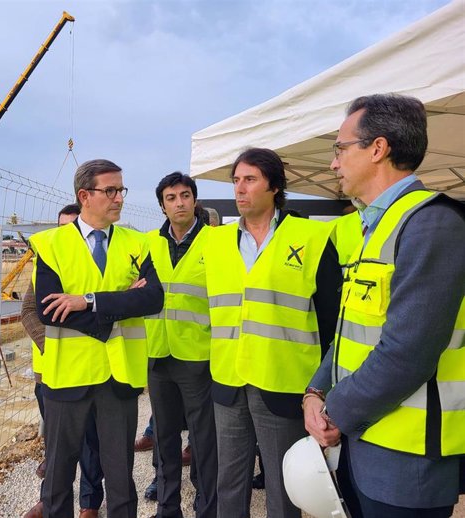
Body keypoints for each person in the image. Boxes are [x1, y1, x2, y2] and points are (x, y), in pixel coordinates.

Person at [303, 93, 465, 518]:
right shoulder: (376, 226)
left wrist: (334, 410)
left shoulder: (431, 222)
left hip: (406, 466)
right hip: (365, 445)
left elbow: (408, 352)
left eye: (340, 148)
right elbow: (349, 329)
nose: (334, 163)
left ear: (377, 148)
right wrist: (315, 391)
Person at [203, 148, 341, 518]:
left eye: (250, 179)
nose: (239, 189)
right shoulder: (213, 242)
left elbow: (331, 324)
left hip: (284, 383)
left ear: (275, 185)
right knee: (229, 481)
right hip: (229, 382)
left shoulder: (312, 236)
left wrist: (322, 388)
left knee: (284, 484)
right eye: (235, 180)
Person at [32, 159, 164, 518]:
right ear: (84, 196)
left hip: (118, 377)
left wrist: (87, 300)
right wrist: (119, 306)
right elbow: (47, 310)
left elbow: (153, 298)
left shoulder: (137, 243)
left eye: (121, 190)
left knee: (120, 476)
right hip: (68, 377)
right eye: (110, 191)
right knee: (58, 475)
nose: (119, 198)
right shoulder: (51, 244)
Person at [22, 203, 106, 518]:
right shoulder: (44, 262)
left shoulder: (95, 266)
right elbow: (28, 312)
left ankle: (89, 502)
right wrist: (50, 347)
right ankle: (50, 501)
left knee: (89, 441)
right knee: (57, 445)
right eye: (61, 227)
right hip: (50, 372)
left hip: (88, 369)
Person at [144, 172, 218, 517]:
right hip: (158, 354)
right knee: (165, 436)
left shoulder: (217, 243)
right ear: (162, 205)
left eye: (185, 195)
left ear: (194, 200)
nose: (179, 203)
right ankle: (168, 505)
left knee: (204, 439)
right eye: (171, 198)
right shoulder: (148, 245)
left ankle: (206, 505)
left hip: (198, 355)